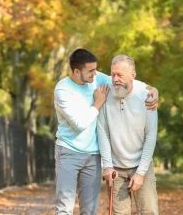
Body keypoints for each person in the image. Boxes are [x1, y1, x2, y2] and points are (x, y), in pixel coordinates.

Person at [54, 48, 158, 215]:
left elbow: (127, 80)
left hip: (95, 155)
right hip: (69, 151)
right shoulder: (64, 90)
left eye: (96, 70)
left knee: (90, 210)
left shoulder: (97, 79)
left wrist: (152, 89)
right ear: (77, 71)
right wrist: (99, 102)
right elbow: (86, 126)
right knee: (64, 207)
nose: (96, 74)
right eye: (91, 70)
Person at [97, 54, 159, 215]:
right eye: (113, 74)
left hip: (141, 165)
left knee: (149, 211)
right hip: (116, 168)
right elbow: (103, 132)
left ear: (133, 75)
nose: (115, 79)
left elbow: (150, 137)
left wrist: (140, 173)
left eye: (120, 75)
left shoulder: (147, 97)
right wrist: (107, 165)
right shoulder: (105, 93)